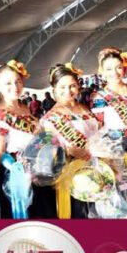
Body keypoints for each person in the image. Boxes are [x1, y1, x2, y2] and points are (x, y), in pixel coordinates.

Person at [0, 61, 56, 219]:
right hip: (18, 176)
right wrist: (17, 167)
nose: (15, 86)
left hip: (38, 170)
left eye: (18, 81)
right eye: (8, 83)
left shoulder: (25, 108)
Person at [40, 63, 100, 219]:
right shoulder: (51, 117)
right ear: (54, 89)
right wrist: (68, 150)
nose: (68, 91)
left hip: (95, 166)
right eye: (62, 87)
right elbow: (48, 147)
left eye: (72, 86)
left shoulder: (84, 108)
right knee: (81, 213)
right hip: (72, 172)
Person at [90, 47, 127, 153]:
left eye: (118, 67)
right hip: (115, 147)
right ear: (103, 71)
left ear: (124, 68)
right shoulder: (98, 97)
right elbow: (98, 129)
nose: (114, 73)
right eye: (109, 69)